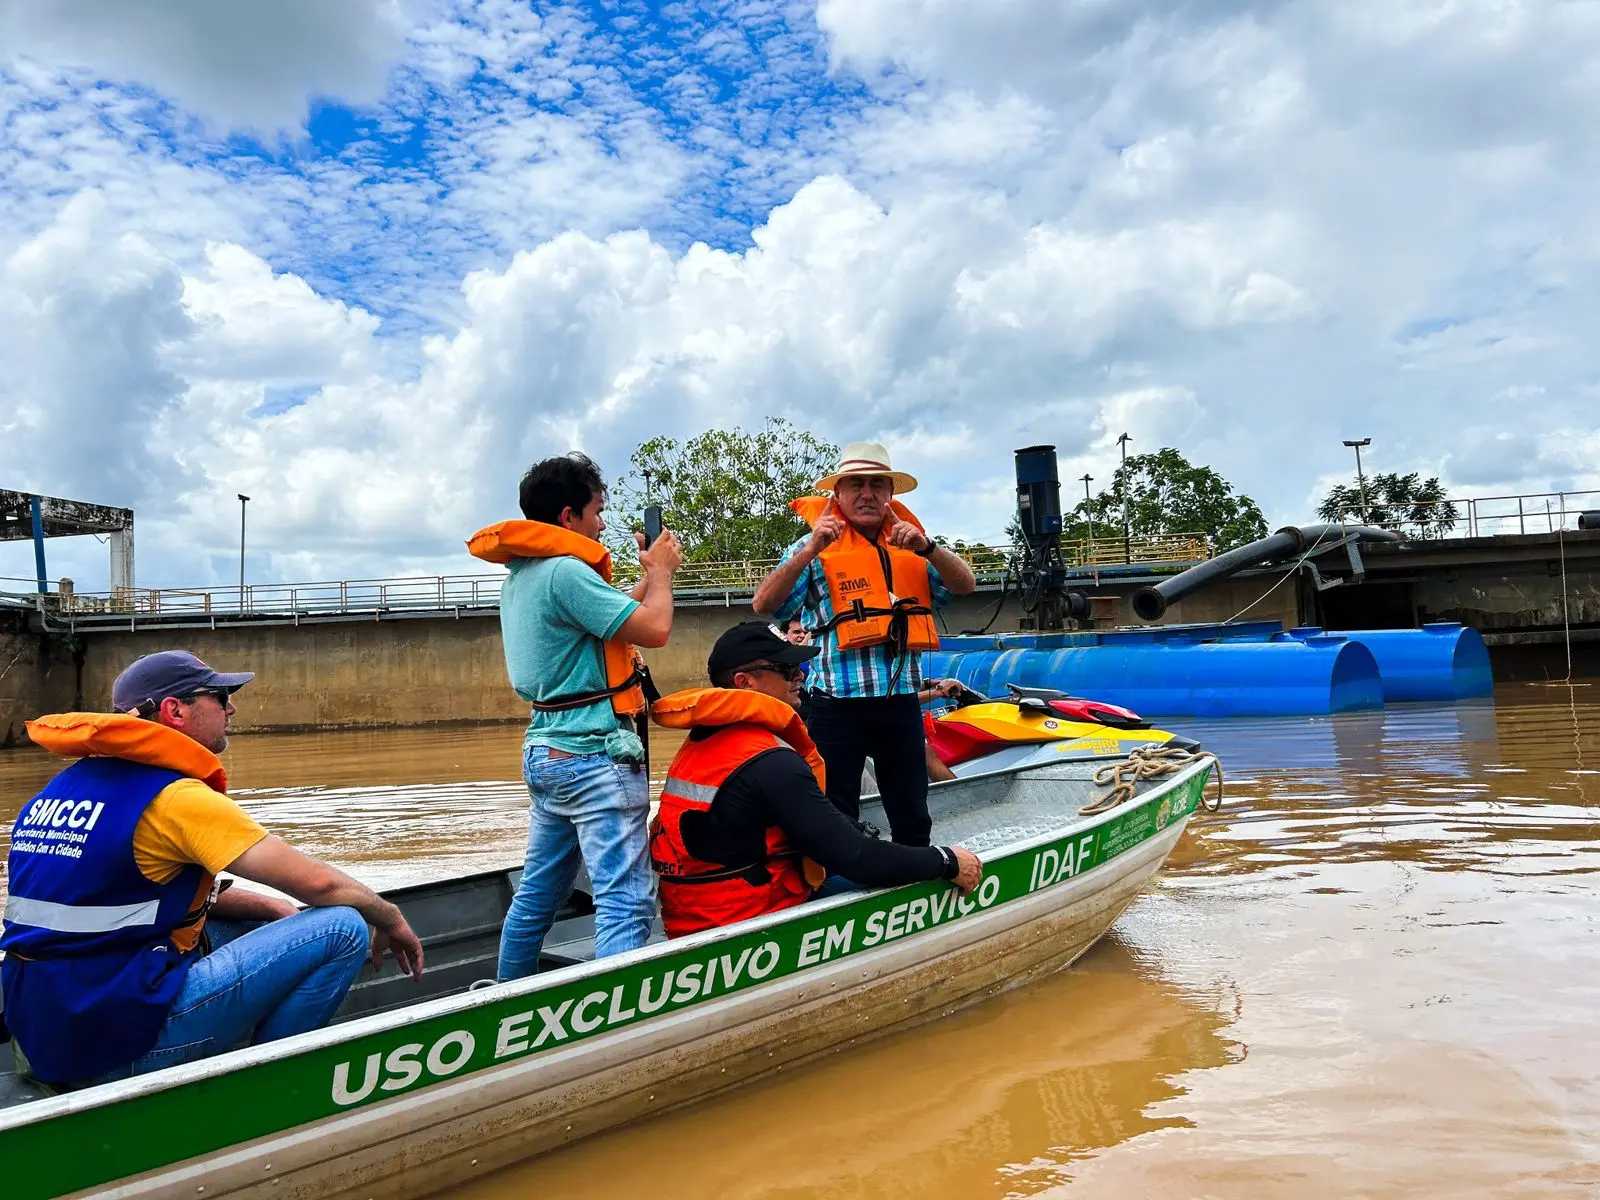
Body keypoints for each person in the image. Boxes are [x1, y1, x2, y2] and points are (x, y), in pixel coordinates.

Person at [1, 651, 424, 1089]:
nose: (232, 708)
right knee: (341, 927)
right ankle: (268, 1088)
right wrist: (390, 917)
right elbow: (320, 884)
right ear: (175, 711)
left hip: (44, 1030)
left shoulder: (62, 790)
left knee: (246, 924)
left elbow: (126, 897)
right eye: (221, 697)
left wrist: (269, 906)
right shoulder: (173, 798)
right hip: (108, 1048)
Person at [468, 453, 683, 981]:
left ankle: (506, 995)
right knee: (625, 901)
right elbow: (655, 629)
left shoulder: (526, 574)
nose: (602, 525)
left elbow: (614, 618)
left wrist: (646, 578)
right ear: (569, 516)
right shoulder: (566, 571)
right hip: (592, 757)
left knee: (537, 894)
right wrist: (662, 574)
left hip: (547, 753)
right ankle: (617, 1016)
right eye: (598, 511)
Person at [648, 622, 983, 937]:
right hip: (749, 922)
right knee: (925, 873)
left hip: (691, 917)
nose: (800, 675)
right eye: (786, 669)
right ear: (744, 682)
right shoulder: (770, 760)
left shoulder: (702, 740)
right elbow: (857, 859)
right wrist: (946, 860)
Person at [753, 441, 977, 846]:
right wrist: (811, 548)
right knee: (834, 814)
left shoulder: (912, 544)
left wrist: (928, 548)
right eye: (856, 484)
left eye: (877, 484)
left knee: (912, 813)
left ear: (890, 494)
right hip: (835, 707)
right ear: (838, 494)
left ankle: (913, 873)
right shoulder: (814, 547)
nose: (867, 493)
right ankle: (839, 879)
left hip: (899, 704)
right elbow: (764, 604)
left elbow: (965, 585)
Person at [781, 616, 814, 721]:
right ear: (783, 634)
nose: (803, 636)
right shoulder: (778, 655)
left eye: (805, 632)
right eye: (796, 632)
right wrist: (803, 648)